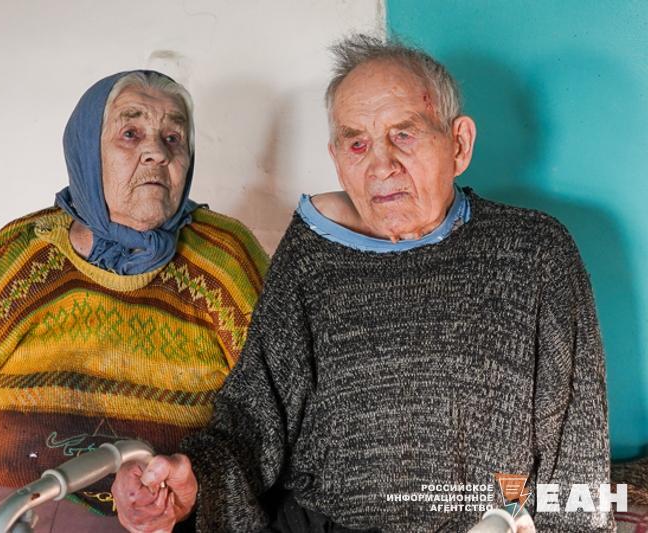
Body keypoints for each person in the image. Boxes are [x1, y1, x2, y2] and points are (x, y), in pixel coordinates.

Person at [112, 36, 614, 532]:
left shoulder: (534, 253)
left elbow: (577, 446)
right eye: (357, 143)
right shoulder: (314, 255)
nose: (380, 166)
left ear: (459, 144)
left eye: (404, 134)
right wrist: (196, 480)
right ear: (337, 158)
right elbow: (256, 413)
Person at [0, 70, 269, 532]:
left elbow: (272, 404)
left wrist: (199, 489)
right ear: (87, 150)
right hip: (10, 511)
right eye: (130, 133)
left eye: (173, 138)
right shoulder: (24, 252)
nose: (157, 153)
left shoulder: (224, 258)